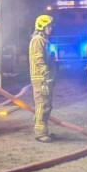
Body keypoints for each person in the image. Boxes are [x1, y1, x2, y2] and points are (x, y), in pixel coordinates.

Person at [29, 14, 58, 142]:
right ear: (42, 26)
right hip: (41, 78)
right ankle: (40, 134)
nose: (50, 28)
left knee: (46, 104)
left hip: (44, 78)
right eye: (48, 26)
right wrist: (46, 72)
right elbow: (38, 58)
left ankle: (43, 130)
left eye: (51, 26)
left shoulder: (44, 40)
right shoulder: (38, 40)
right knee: (42, 104)